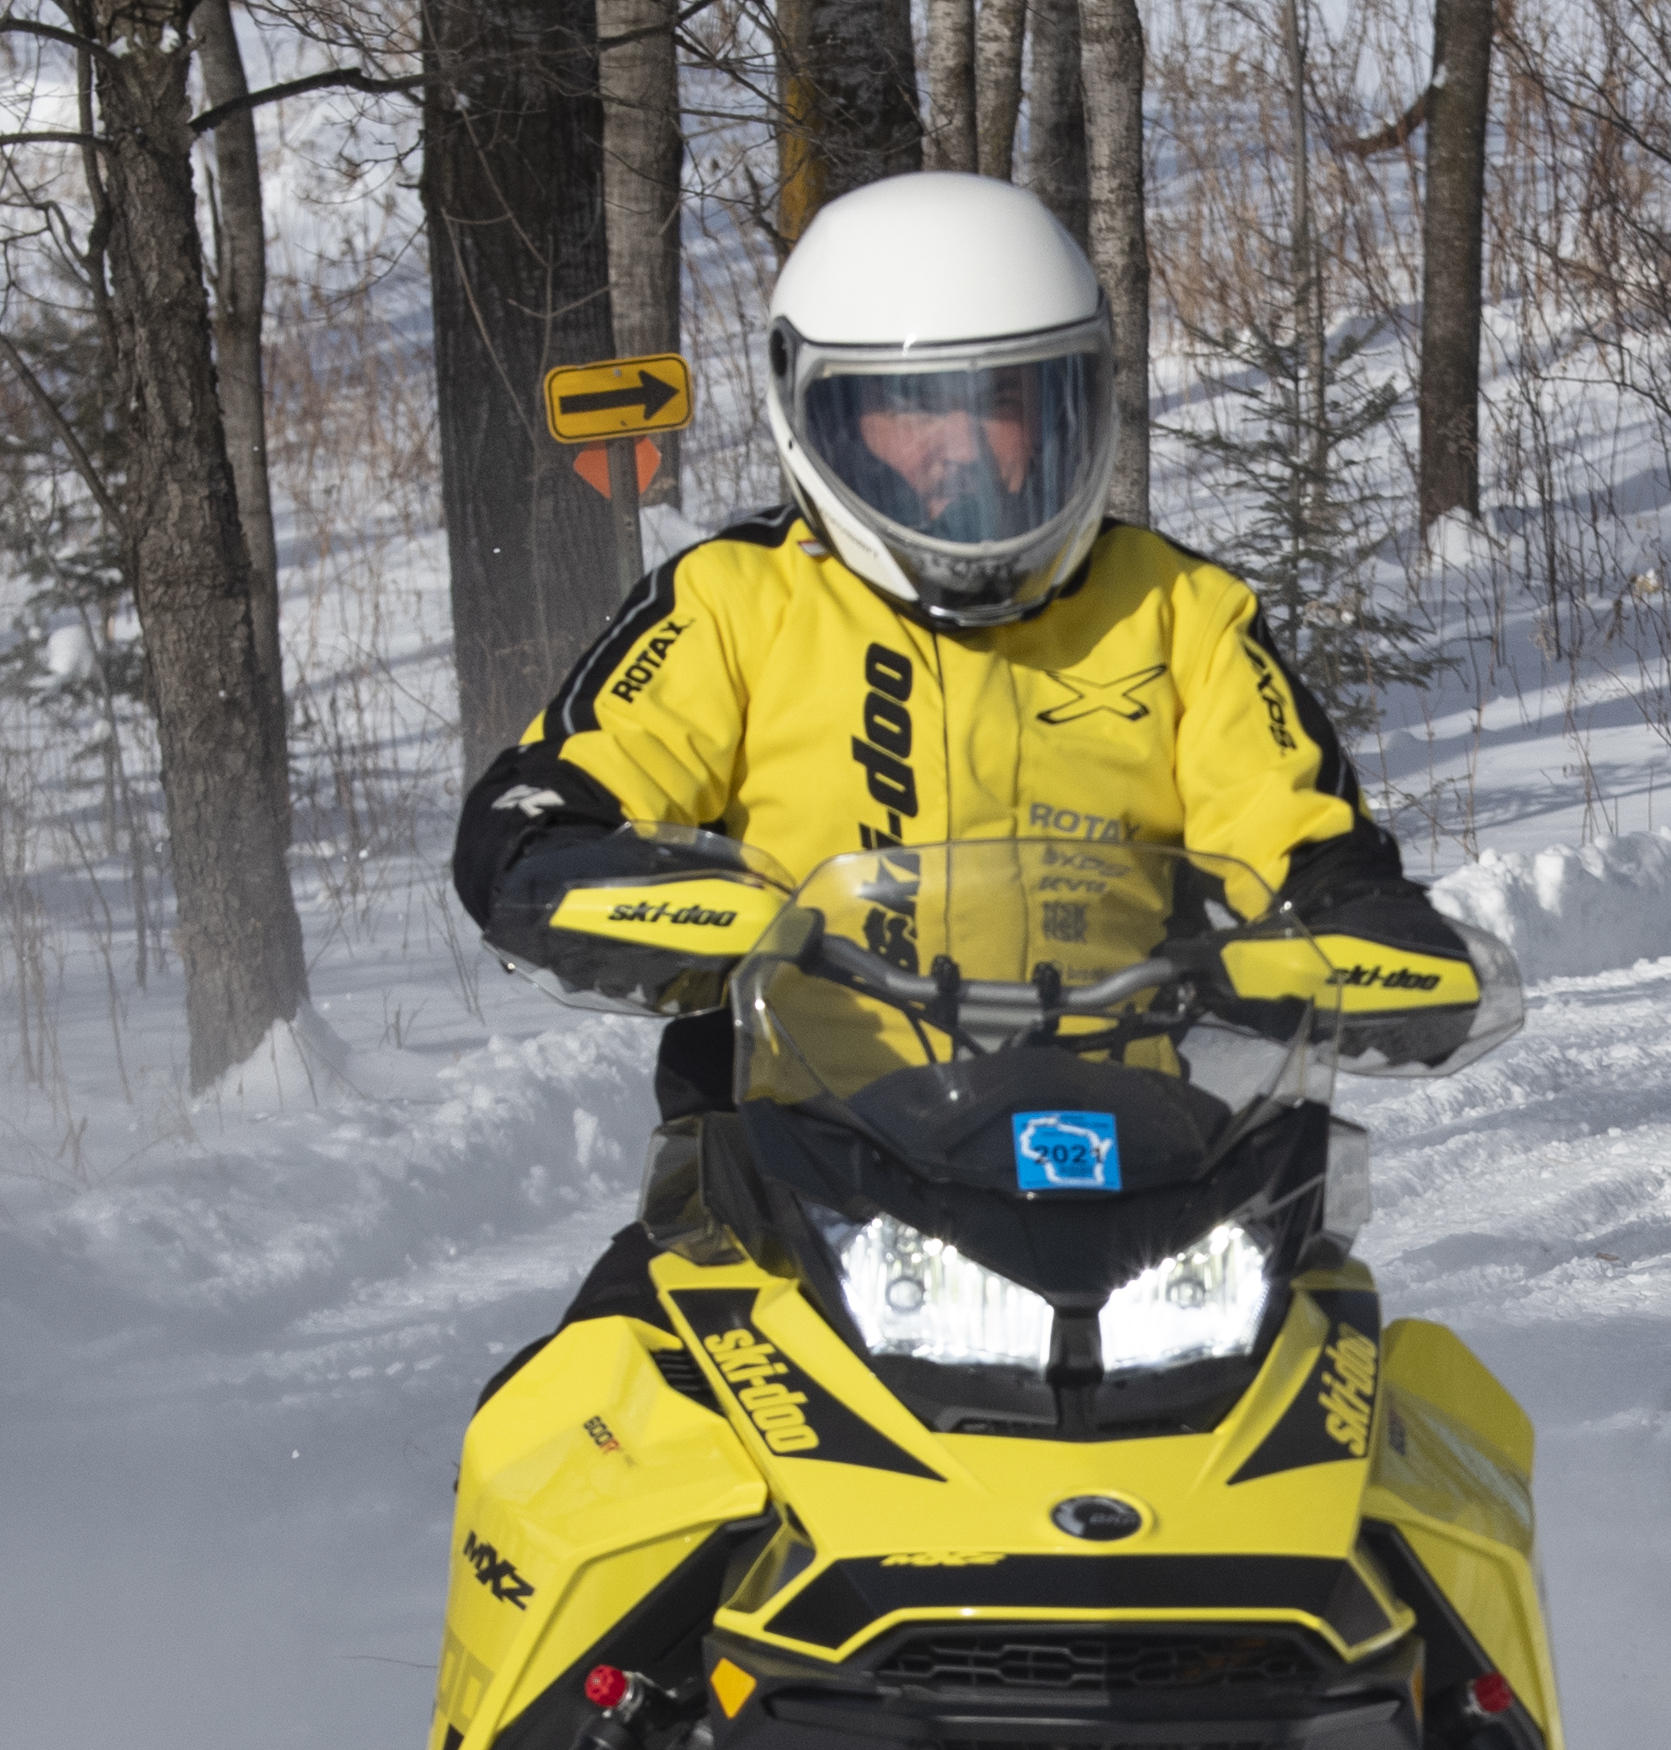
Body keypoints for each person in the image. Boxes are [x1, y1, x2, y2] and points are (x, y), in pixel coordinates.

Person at [448, 169, 1488, 1369]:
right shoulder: (737, 603)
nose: (961, 454)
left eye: (999, 401)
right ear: (815, 415)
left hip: (1158, 1188)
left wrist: (1364, 932)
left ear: (1072, 404)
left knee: (1395, 1426)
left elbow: (1305, 841)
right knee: (570, 1427)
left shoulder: (1179, 614)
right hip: (787, 1183)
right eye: (908, 411)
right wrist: (597, 884)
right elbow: (547, 803)